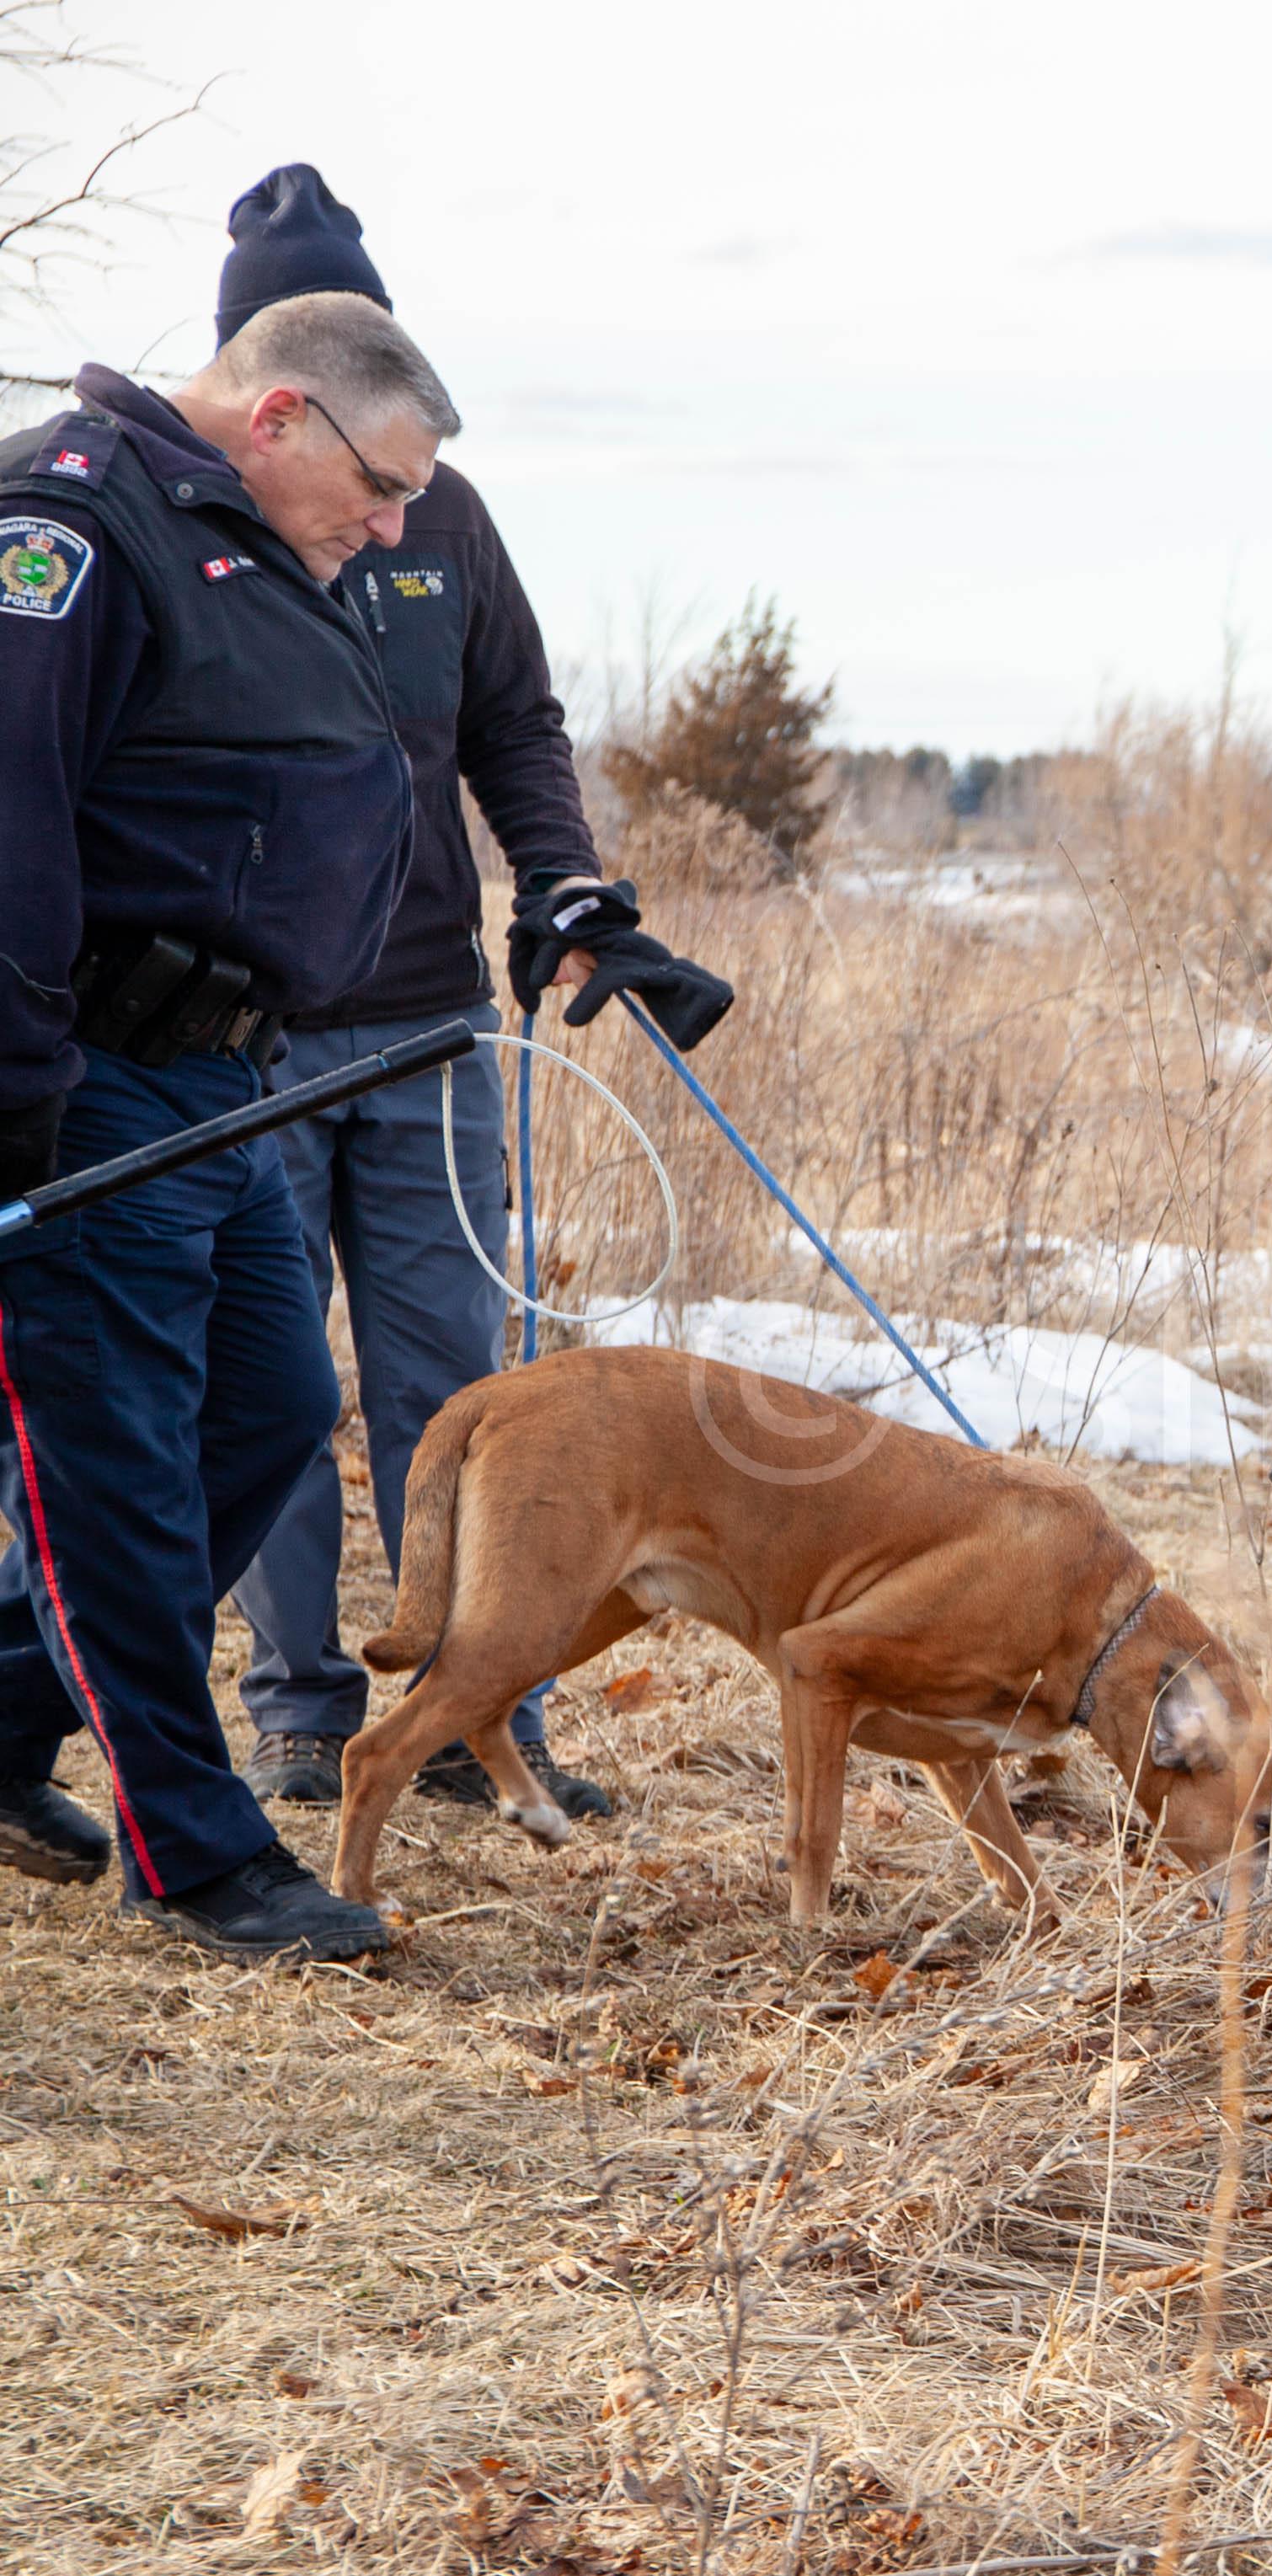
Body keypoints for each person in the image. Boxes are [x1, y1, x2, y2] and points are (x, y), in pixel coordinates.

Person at [205, 166, 733, 1820]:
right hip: (243, 1035)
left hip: (430, 1019)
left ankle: (484, 1707)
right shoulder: (184, 516)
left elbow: (516, 728)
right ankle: (300, 1707)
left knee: (466, 1391)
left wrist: (564, 885)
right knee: (273, 1378)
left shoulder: (443, 515)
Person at [0, 290, 473, 1960]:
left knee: (274, 1404)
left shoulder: (264, 542)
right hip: (89, 1074)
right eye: (384, 483)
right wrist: (18, 1091)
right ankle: (197, 1851)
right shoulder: (71, 517)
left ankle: (1, 1712)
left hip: (228, 1077)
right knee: (113, 1465)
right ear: (280, 416)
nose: (399, 523)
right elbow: (10, 804)